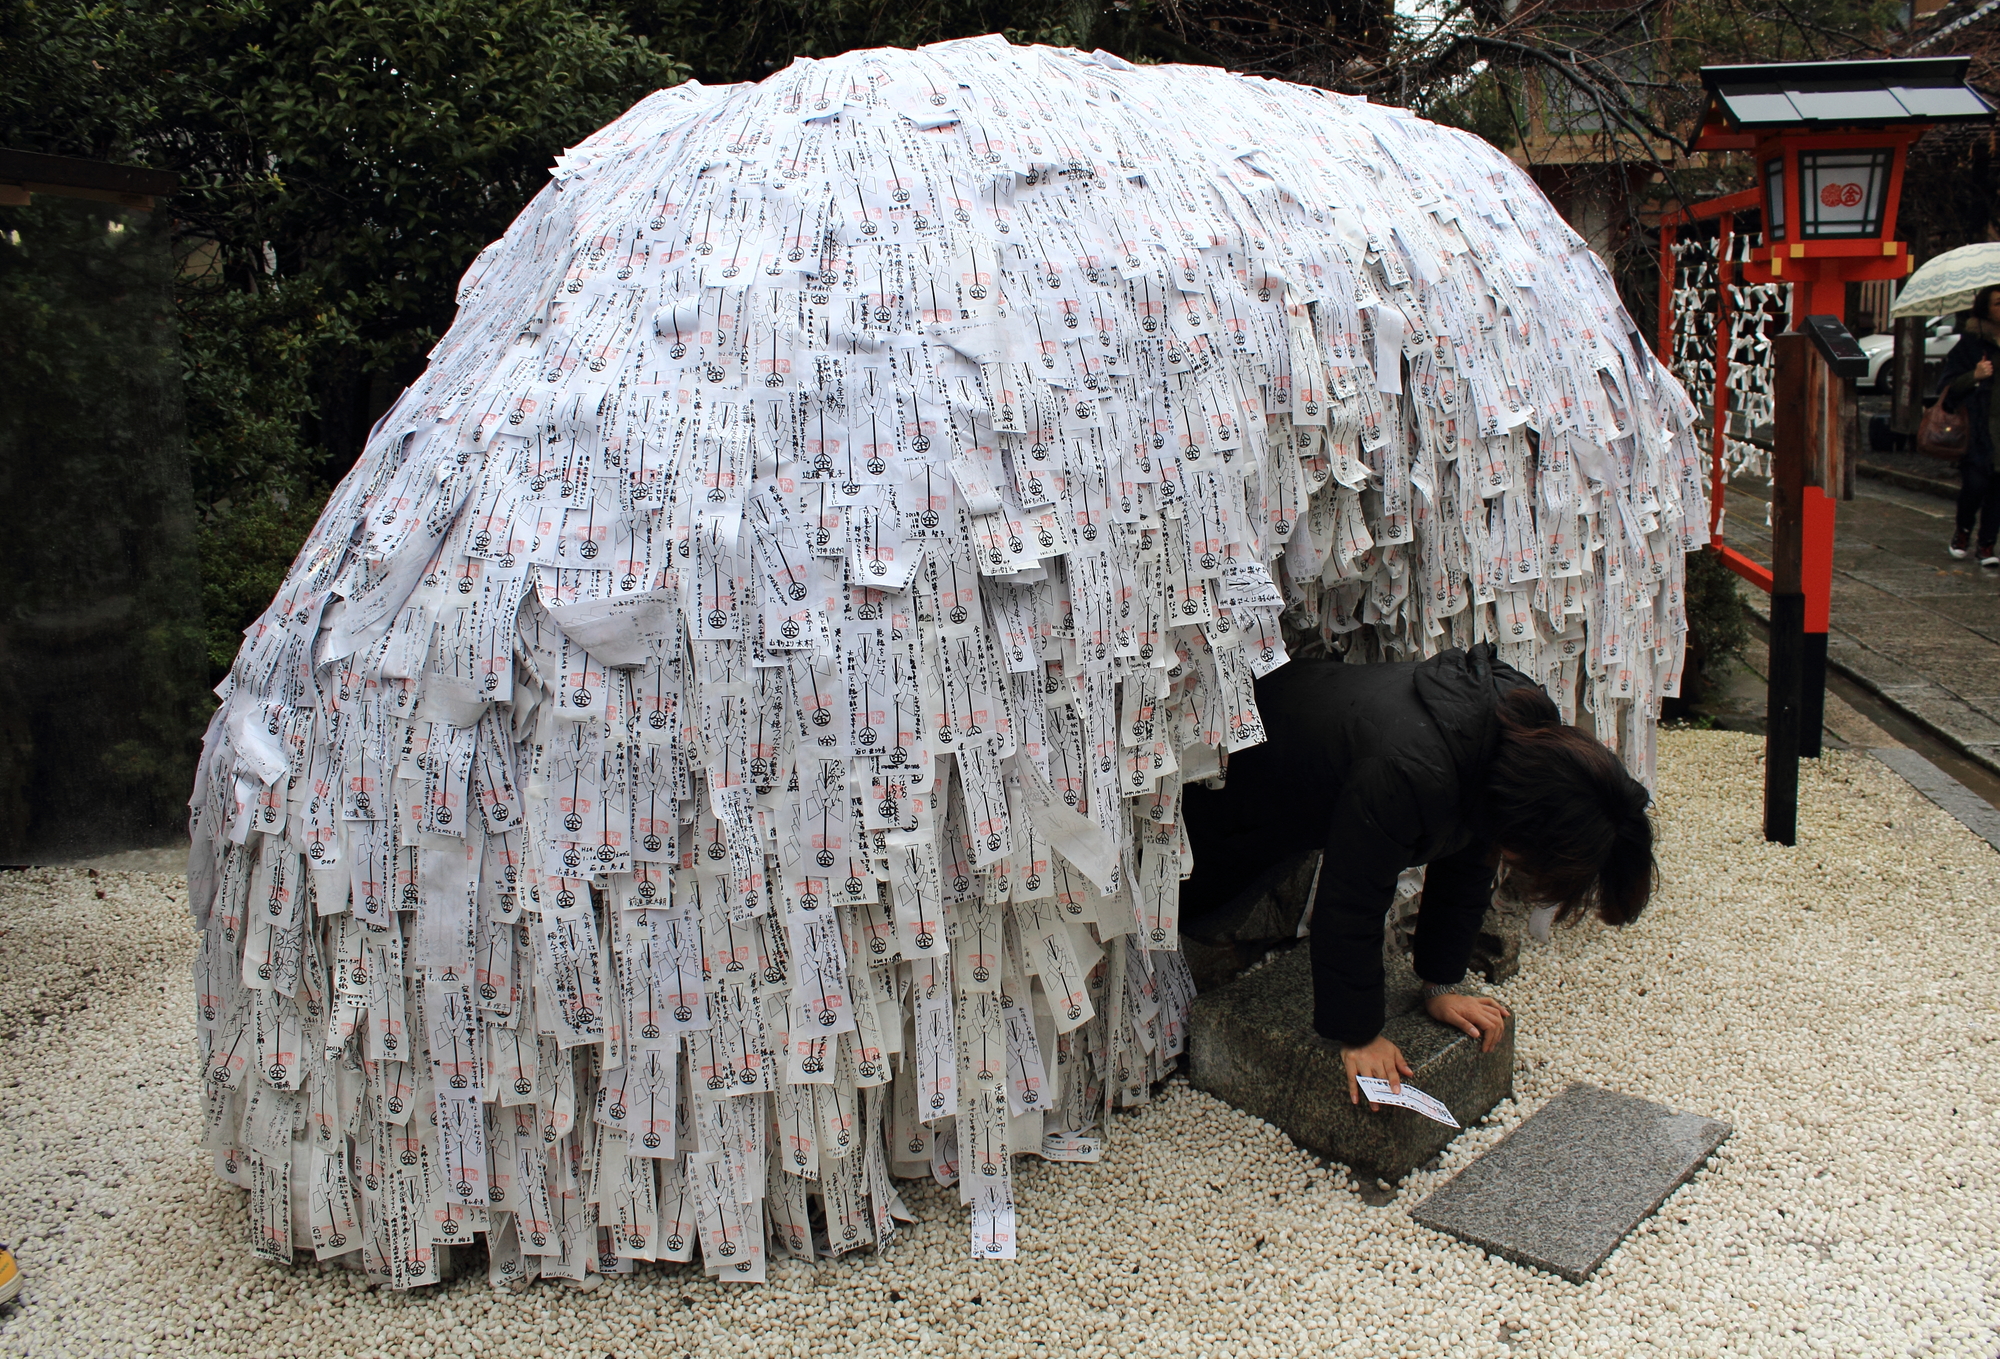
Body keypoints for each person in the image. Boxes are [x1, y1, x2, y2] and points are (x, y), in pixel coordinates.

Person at [1178, 643, 1656, 1108]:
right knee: (1193, 902)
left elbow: (1470, 856)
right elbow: (1352, 897)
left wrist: (1441, 984)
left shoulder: (1526, 755)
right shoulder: (1411, 772)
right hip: (1233, 764)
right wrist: (1359, 1033)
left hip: (1319, 728)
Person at [1940, 286, 2000, 566]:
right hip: (1977, 429)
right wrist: (1974, 376)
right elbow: (1949, 390)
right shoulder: (1970, 344)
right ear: (1985, 309)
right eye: (1999, 303)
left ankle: (1987, 545)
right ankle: (1963, 530)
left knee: (1998, 491)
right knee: (1975, 486)